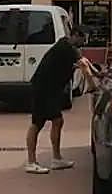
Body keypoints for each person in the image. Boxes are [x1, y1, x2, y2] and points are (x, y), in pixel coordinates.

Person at [26, 25, 95, 174]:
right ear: (76, 35)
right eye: (84, 38)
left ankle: (56, 159)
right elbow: (84, 65)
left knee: (57, 121)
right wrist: (92, 85)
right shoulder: (66, 47)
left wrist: (99, 74)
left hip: (50, 90)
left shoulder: (67, 45)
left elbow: (85, 61)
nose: (85, 42)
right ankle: (31, 162)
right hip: (43, 89)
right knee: (38, 123)